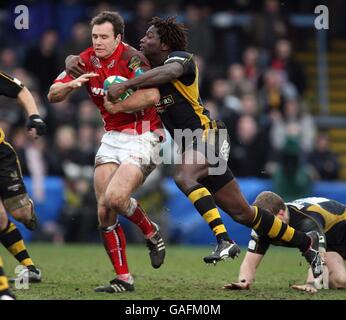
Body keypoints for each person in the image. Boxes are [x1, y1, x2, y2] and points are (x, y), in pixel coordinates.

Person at [87, 16, 322, 276]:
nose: (143, 39)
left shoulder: (181, 59)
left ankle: (224, 240)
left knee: (183, 175)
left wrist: (126, 85)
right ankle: (306, 242)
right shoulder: (147, 73)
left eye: (149, 36)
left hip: (208, 135)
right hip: (190, 144)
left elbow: (170, 72)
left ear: (164, 43)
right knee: (243, 214)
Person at [48, 11, 166, 294]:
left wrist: (117, 106)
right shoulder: (84, 60)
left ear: (118, 38)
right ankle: (124, 278)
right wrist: (70, 86)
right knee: (104, 208)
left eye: (104, 37)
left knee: (115, 198)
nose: (98, 42)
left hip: (144, 135)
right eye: (95, 36)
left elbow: (152, 96)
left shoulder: (133, 59)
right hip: (112, 138)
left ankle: (151, 231)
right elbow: (52, 93)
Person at [224, 191, 346, 293]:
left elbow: (318, 254)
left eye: (270, 222)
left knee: (322, 279)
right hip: (331, 241)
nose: (267, 228)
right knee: (338, 281)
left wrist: (311, 284)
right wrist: (244, 282)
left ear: (281, 214)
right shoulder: (262, 227)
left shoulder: (305, 220)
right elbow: (250, 262)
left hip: (341, 229)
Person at [0, 71, 45, 284]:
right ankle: (29, 268)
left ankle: (27, 209)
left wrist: (34, 116)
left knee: (20, 213)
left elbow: (21, 90)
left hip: (1, 154)